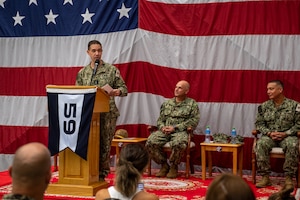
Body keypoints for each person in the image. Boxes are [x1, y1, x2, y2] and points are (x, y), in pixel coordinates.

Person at [75, 40, 128, 180]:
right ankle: (90, 171)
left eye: (99, 50)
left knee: (104, 144)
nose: (97, 53)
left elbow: (124, 89)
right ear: (88, 53)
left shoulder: (111, 70)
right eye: (94, 51)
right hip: (88, 114)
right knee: (90, 144)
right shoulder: (83, 73)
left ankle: (101, 175)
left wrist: (117, 91)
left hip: (107, 114)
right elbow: (76, 93)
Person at [146, 80, 200, 178]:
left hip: (180, 131)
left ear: (186, 91)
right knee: (150, 142)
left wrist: (175, 128)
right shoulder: (167, 103)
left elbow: (194, 121)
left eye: (180, 88)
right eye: (176, 87)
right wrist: (162, 127)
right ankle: (164, 165)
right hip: (164, 131)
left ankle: (174, 166)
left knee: (179, 143)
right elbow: (160, 120)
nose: (176, 89)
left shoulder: (192, 104)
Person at [255, 80, 300, 188]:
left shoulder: (294, 105)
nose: (268, 91)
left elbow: (299, 123)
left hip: (287, 136)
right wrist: (269, 133)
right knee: (261, 143)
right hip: (270, 136)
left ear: (280, 90)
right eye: (267, 89)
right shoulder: (264, 106)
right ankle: (265, 177)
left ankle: (289, 178)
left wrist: (286, 133)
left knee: (292, 144)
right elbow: (259, 124)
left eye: (271, 89)